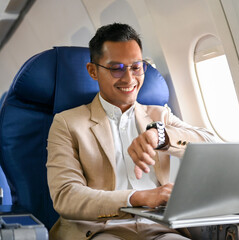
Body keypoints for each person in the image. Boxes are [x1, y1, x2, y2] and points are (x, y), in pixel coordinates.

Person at [46, 23, 215, 240]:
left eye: (136, 67)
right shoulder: (67, 123)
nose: (129, 79)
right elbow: (66, 196)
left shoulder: (159, 115)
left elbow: (209, 142)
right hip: (99, 230)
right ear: (93, 71)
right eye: (116, 68)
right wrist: (137, 198)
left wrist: (160, 135)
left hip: (158, 229)